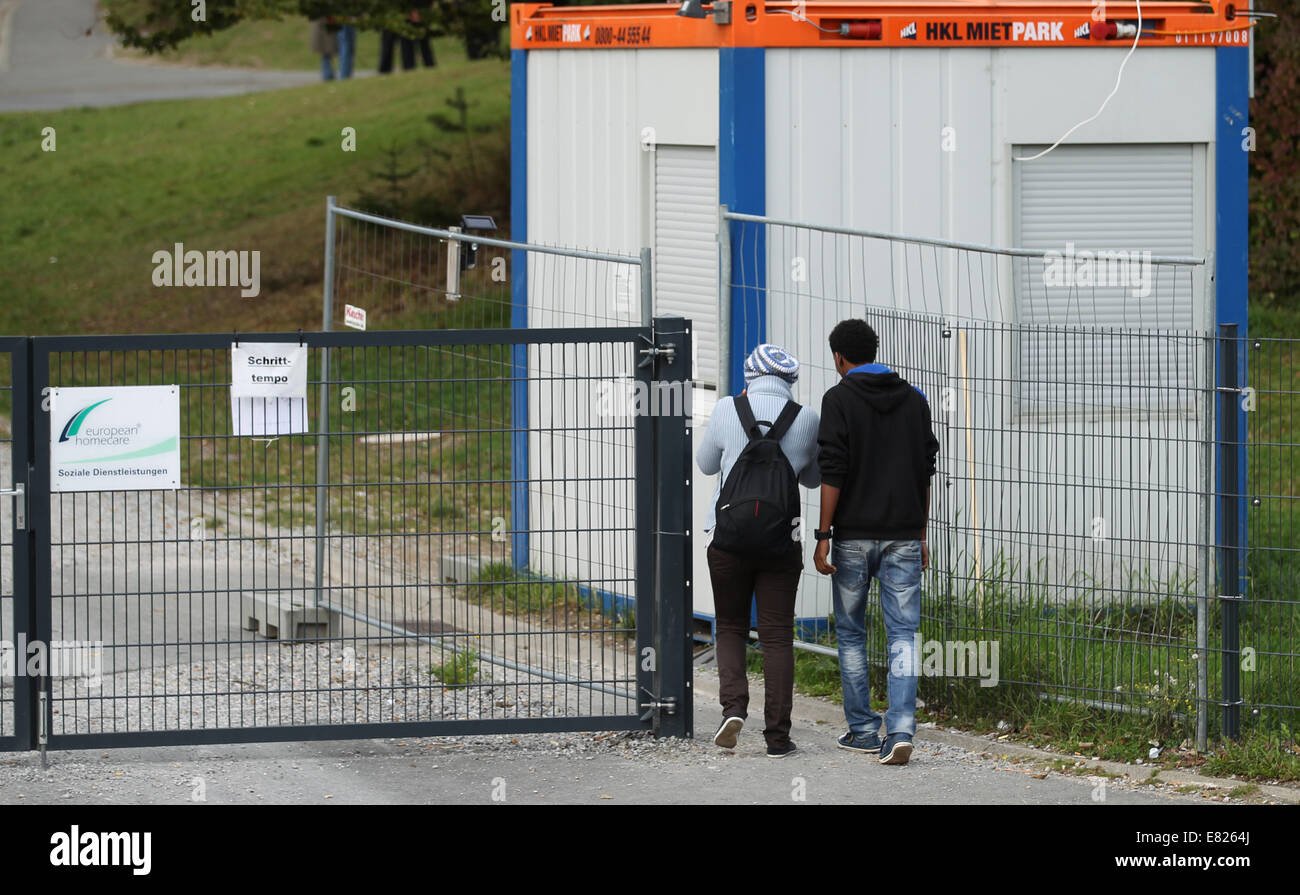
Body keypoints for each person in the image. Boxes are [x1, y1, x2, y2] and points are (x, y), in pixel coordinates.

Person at [813, 318, 939, 766]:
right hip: (904, 534)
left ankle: (865, 731)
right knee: (903, 634)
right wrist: (921, 533)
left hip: (851, 536)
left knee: (851, 632)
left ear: (839, 358)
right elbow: (926, 470)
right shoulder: (915, 399)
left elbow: (833, 470)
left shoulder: (838, 398)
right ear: (874, 350)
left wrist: (823, 535)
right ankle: (902, 727)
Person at [696, 344, 821, 758]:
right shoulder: (805, 418)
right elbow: (812, 479)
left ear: (749, 377)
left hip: (728, 539)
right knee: (777, 636)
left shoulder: (725, 409)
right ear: (790, 380)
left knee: (730, 625)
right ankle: (778, 738)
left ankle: (733, 710)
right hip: (780, 542)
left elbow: (706, 465)